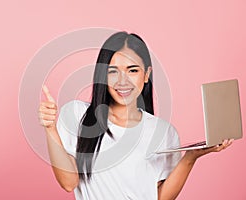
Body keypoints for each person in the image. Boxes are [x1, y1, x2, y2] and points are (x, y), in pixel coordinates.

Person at [38, 31, 233, 200]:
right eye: (113, 71)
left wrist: (190, 157)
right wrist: (50, 129)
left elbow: (161, 196)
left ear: (146, 74)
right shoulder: (77, 114)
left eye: (132, 70)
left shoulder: (163, 131)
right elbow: (68, 182)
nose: (123, 81)